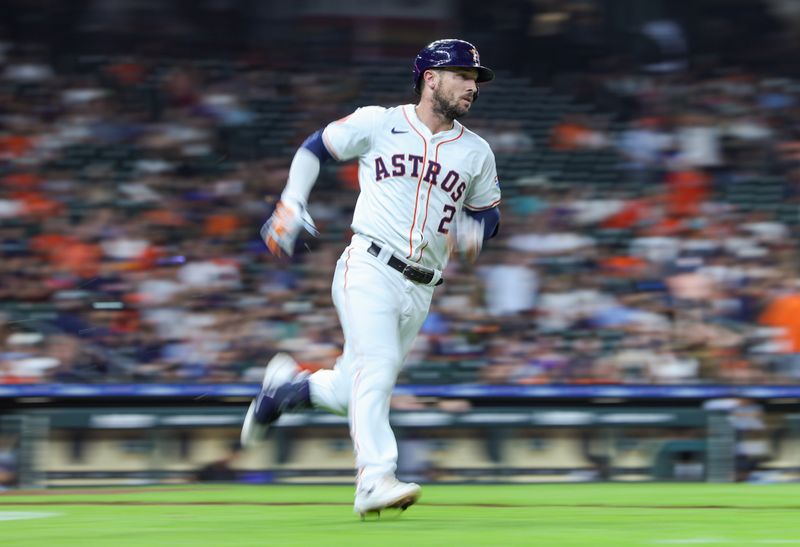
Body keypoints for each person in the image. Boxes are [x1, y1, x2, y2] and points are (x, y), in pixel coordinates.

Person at [240, 39, 502, 518]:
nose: (471, 86)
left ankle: (286, 391)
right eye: (462, 75)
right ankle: (375, 479)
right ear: (430, 78)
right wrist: (291, 203)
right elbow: (314, 147)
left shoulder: (476, 151)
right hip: (369, 265)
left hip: (422, 286)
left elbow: (488, 213)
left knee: (352, 389)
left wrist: (476, 231)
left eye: (475, 78)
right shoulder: (380, 122)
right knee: (377, 370)